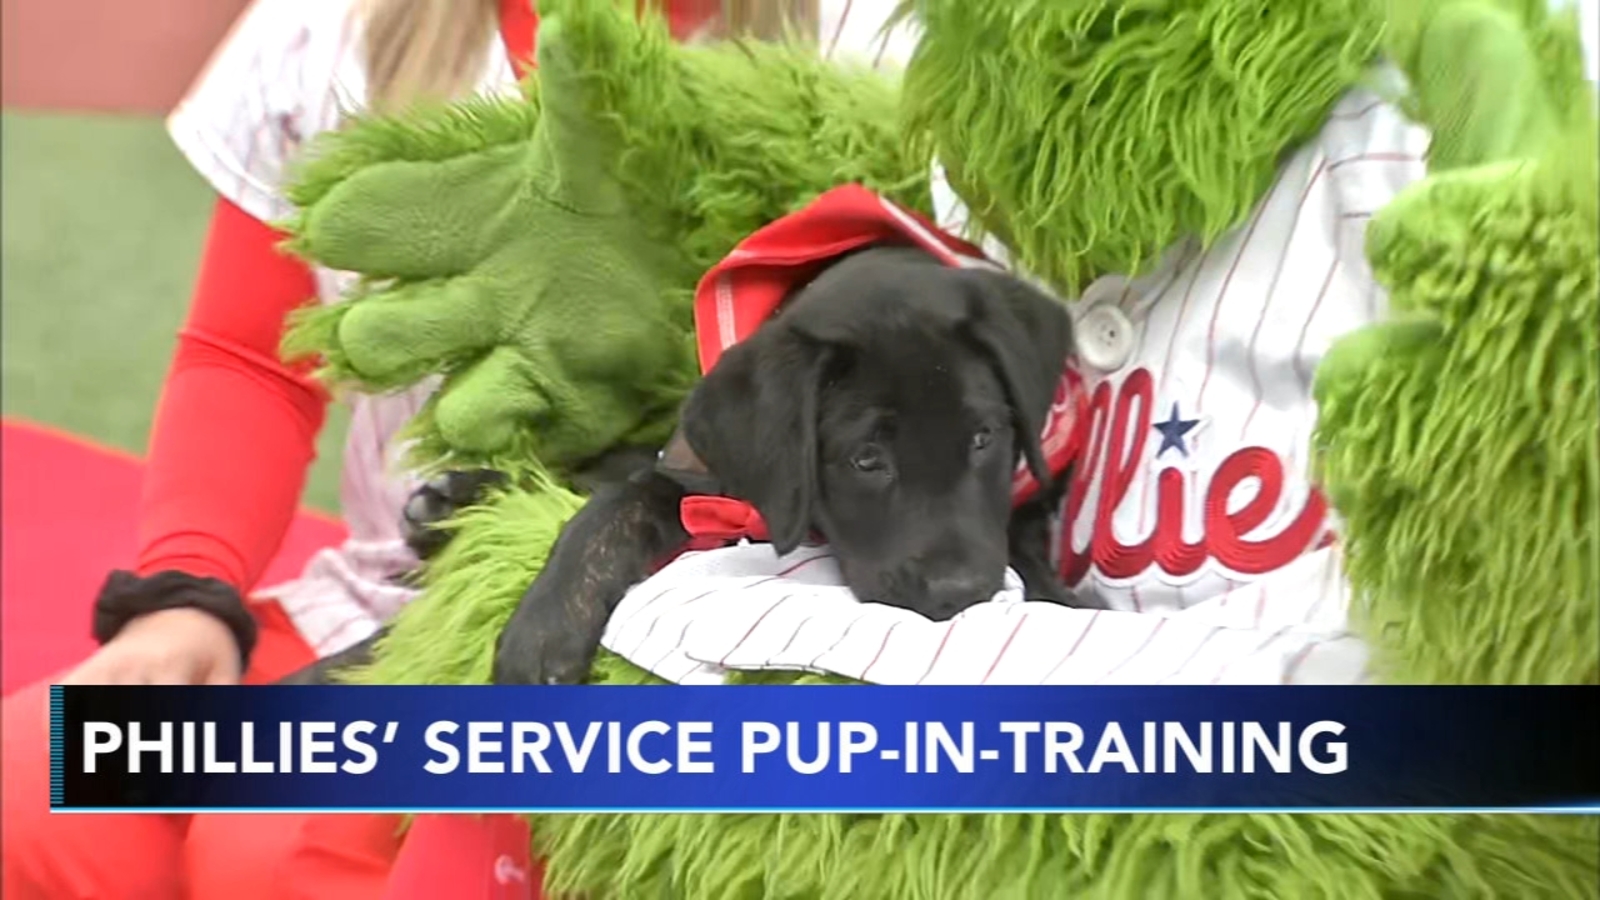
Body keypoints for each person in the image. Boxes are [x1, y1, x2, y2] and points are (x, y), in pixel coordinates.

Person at [0, 2, 916, 898]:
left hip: (695, 642)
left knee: (279, 854)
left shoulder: (868, 35)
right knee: (38, 792)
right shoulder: (336, 27)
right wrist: (187, 597)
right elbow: (250, 358)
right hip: (397, 596)